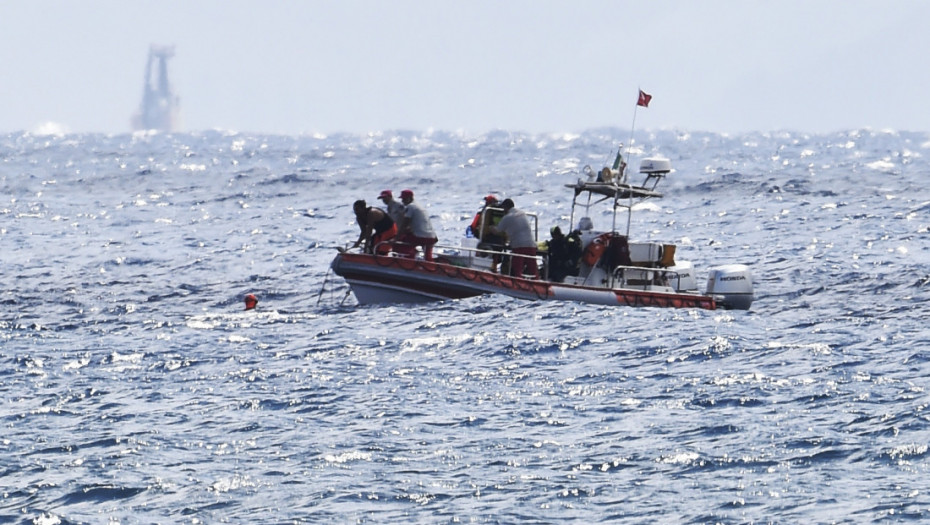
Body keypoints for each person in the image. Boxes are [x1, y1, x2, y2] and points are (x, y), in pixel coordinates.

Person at [490, 198, 539, 279]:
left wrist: (490, 228)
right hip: (531, 244)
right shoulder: (522, 213)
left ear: (506, 208)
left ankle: (518, 283)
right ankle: (537, 282)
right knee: (533, 268)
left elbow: (497, 230)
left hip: (519, 246)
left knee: (517, 269)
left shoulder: (507, 217)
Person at [396, 189, 438, 261]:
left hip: (421, 237)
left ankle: (408, 259)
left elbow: (405, 224)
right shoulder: (419, 206)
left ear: (410, 198)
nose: (402, 201)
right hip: (432, 237)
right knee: (428, 256)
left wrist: (396, 238)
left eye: (404, 199)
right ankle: (429, 263)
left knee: (400, 242)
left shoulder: (410, 207)